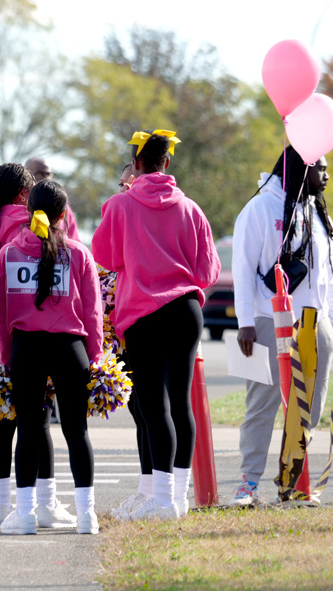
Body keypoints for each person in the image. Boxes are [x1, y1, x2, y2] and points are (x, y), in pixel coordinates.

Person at [93, 130, 220, 520]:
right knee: (181, 403)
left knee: (153, 406)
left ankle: (162, 498)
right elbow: (208, 271)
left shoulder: (120, 204)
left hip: (143, 312)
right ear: (166, 162)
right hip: (185, 310)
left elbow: (106, 257)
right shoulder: (191, 208)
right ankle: (176, 497)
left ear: (136, 164)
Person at [0, 180, 103, 535]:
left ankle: (25, 515)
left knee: (27, 429)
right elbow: (93, 313)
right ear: (63, 214)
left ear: (28, 211)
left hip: (27, 348)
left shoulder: (8, 254)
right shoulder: (79, 253)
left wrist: (7, 357)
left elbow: (0, 315)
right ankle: (86, 516)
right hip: (70, 348)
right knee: (76, 431)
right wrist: (96, 357)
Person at [231, 145, 333, 506]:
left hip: (315, 324)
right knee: (261, 406)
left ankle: (293, 484)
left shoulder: (317, 213)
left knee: (310, 408)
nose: (326, 175)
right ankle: (248, 485)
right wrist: (245, 321)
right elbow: (243, 268)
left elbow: (331, 276)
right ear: (301, 168)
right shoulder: (260, 207)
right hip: (266, 321)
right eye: (319, 168)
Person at [0, 163, 75, 529]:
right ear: (22, 195)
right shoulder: (28, 224)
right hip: (30, 329)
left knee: (1, 417)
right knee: (37, 419)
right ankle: (44, 503)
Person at [104, 163, 153, 521]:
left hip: (146, 317)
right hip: (124, 325)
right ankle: (147, 487)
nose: (123, 189)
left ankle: (161, 490)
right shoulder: (121, 214)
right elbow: (105, 258)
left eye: (128, 183)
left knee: (153, 409)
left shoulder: (145, 218)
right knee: (139, 409)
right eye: (120, 184)